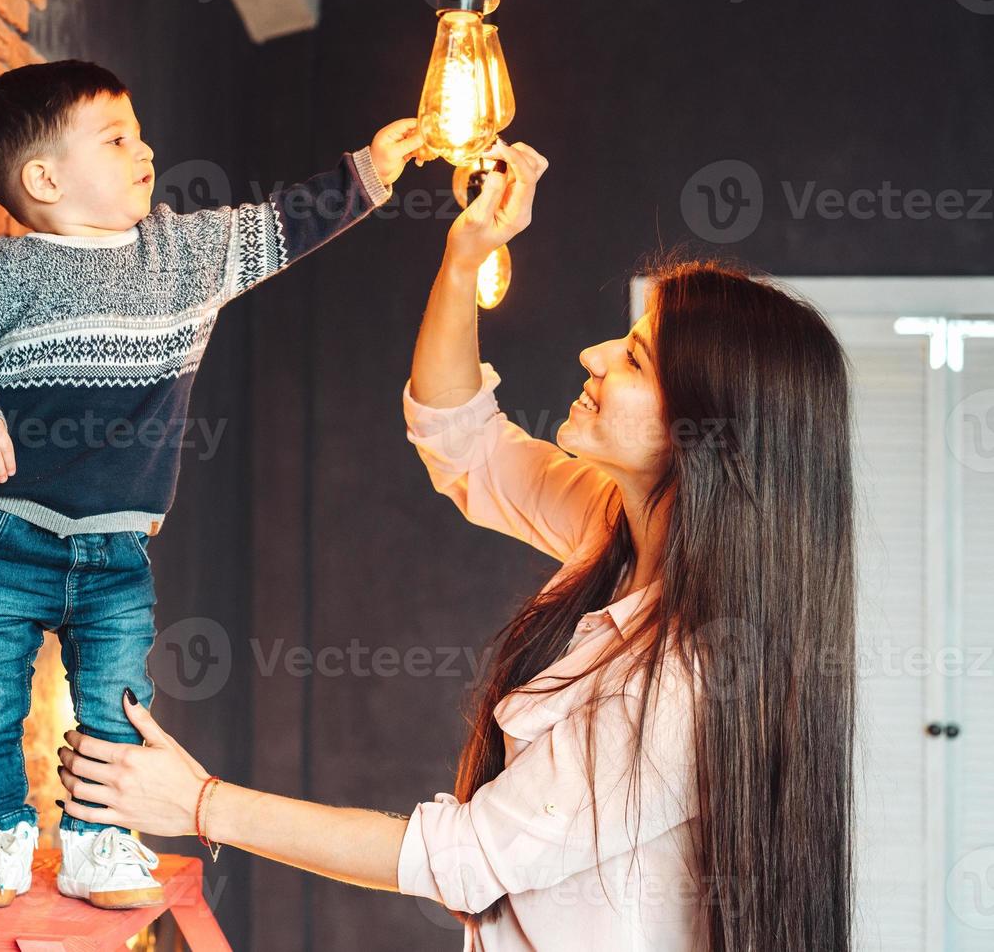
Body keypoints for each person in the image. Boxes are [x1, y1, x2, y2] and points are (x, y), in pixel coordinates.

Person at [54, 140, 858, 951]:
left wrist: (199, 803)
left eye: (634, 358)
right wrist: (467, 249)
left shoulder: (692, 676)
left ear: (705, 433)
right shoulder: (613, 523)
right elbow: (458, 432)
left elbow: (465, 859)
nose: (594, 356)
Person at [0, 58, 425, 910]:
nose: (144, 148)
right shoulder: (3, 275)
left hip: (114, 546)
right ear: (44, 177)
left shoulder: (184, 253)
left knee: (116, 703)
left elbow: (280, 225)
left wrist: (367, 172)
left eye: (139, 130)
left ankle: (97, 839)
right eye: (115, 138)